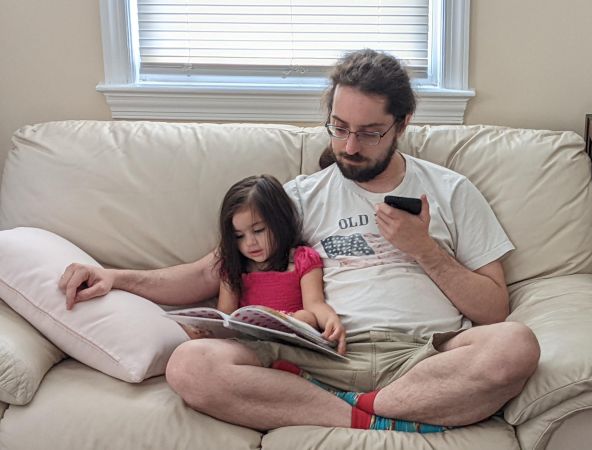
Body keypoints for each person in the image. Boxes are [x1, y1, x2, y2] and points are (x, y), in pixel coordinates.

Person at [59, 49, 540, 433]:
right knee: (190, 365)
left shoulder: (451, 190)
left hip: (424, 355)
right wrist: (115, 276)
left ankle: (364, 407)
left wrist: (425, 250)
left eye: (370, 133)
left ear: (405, 122)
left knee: (515, 346)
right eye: (339, 128)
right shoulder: (299, 197)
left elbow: (494, 310)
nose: (349, 147)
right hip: (318, 353)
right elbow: (214, 270)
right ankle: (371, 416)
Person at [201, 174, 345, 354]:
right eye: (239, 236)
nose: (249, 243)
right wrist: (205, 329)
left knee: (306, 317)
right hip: (252, 346)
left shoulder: (302, 258)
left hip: (295, 341)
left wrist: (331, 319)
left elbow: (315, 304)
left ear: (280, 222)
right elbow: (226, 318)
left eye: (258, 230)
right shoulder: (233, 268)